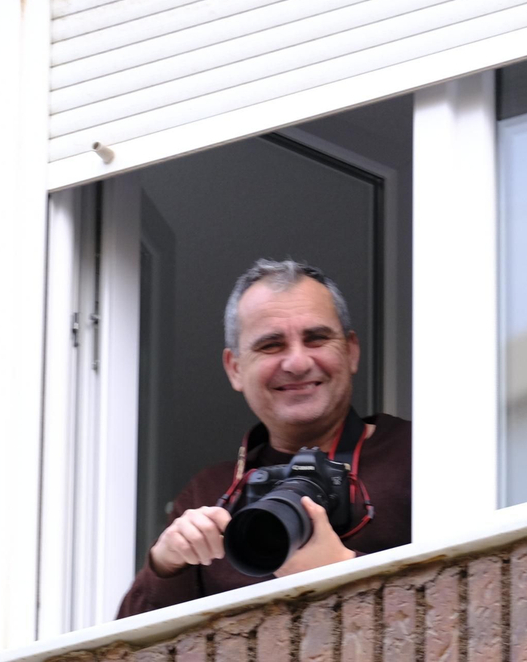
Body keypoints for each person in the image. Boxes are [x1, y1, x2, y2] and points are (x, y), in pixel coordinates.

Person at [117, 259, 411, 618]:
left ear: (351, 351)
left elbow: (473, 602)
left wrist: (345, 569)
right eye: (272, 345)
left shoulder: (416, 454)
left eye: (316, 338)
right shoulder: (209, 493)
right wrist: (165, 565)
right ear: (235, 368)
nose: (298, 363)